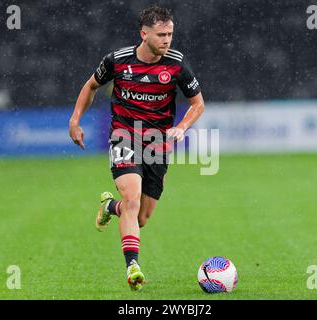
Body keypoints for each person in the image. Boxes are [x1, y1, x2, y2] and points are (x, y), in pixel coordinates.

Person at [69, 5, 205, 291]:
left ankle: (110, 207)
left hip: (157, 143)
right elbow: (91, 86)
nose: (167, 40)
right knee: (132, 198)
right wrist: (75, 120)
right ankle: (133, 266)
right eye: (161, 35)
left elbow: (198, 104)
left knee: (141, 217)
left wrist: (181, 127)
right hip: (125, 135)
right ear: (144, 34)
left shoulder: (177, 64)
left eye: (170, 34)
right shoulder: (117, 60)